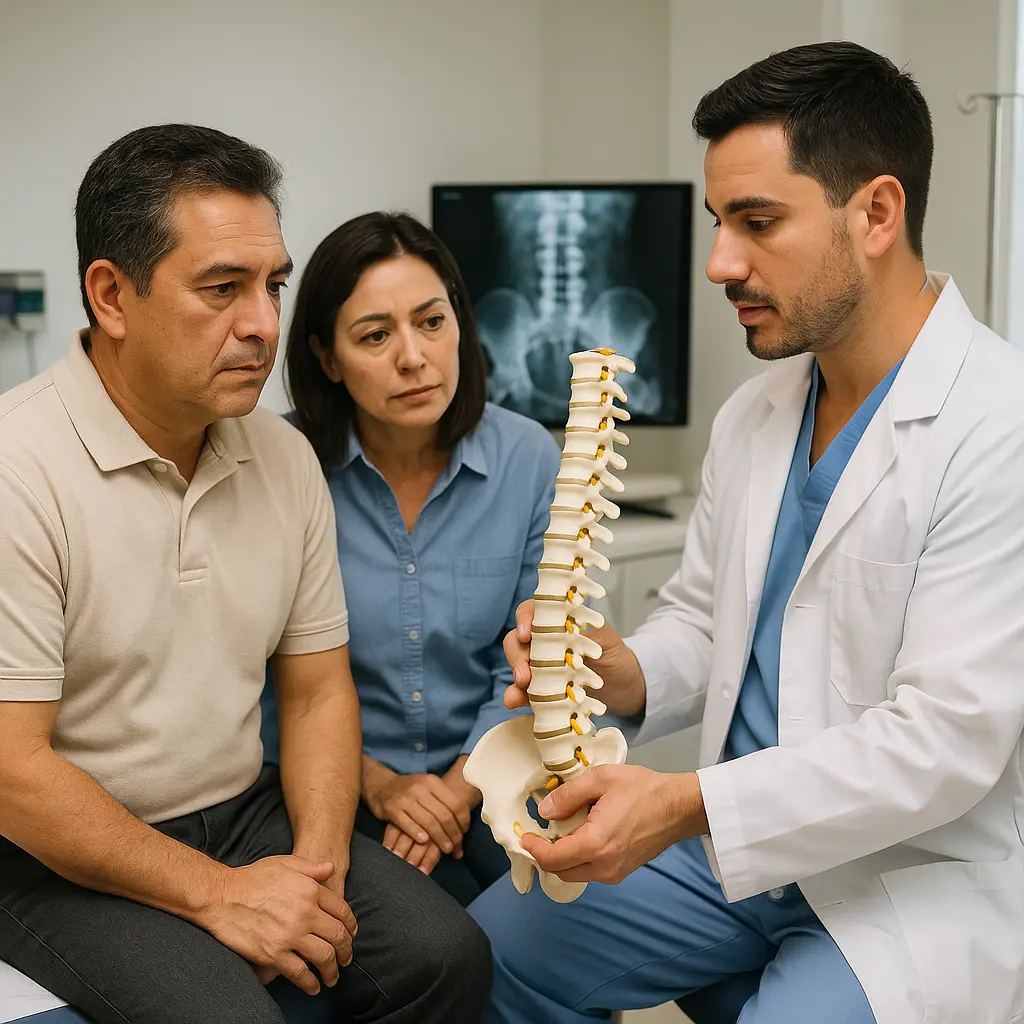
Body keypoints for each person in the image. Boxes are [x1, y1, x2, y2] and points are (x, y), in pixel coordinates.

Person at [469, 41, 1024, 1024]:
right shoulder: (756, 412)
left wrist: (682, 803)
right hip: (735, 853)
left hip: (903, 877)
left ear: (878, 213)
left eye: (758, 223)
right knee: (487, 956)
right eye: (719, 223)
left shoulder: (998, 427)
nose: (721, 262)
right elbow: (705, 617)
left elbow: (943, 741)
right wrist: (621, 668)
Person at [0, 124, 490, 1024]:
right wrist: (216, 895)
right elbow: (11, 769)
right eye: (223, 289)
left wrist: (318, 867)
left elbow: (314, 694)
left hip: (243, 808)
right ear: (111, 294)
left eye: (273, 285)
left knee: (444, 953)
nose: (263, 324)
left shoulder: (282, 457)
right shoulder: (16, 469)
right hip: (51, 853)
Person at [260, 211, 562, 908]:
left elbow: (533, 660)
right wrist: (375, 782)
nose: (414, 357)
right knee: (442, 935)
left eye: (431, 322)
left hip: (498, 769)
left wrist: (455, 792)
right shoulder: (277, 465)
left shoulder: (528, 458)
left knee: (572, 917)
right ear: (327, 358)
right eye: (374, 335)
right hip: (329, 785)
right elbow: (254, 676)